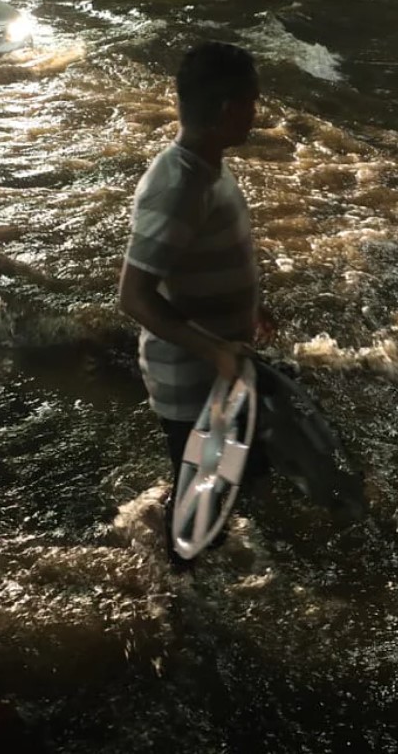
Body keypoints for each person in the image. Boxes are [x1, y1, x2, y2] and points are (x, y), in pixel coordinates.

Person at [118, 41, 273, 566]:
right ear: (228, 109)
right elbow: (134, 297)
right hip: (192, 383)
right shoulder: (178, 186)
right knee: (197, 505)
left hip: (218, 368)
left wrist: (251, 308)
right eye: (252, 102)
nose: (257, 113)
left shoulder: (209, 166)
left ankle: (207, 562)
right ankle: (182, 598)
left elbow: (206, 258)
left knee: (223, 484)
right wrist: (214, 350)